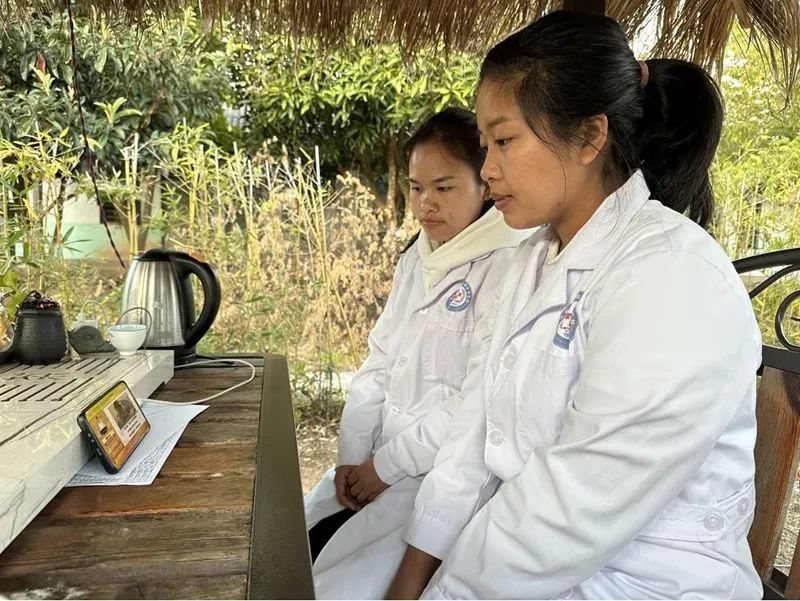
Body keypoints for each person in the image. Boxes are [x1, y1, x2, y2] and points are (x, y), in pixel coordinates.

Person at [387, 10, 763, 600]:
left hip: (645, 583)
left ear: (589, 136)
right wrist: (409, 582)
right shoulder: (527, 263)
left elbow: (574, 506)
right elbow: (471, 439)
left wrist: (443, 594)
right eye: (484, 146)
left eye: (504, 141)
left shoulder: (673, 277)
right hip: (515, 558)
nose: (488, 170)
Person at [303, 107, 532, 599]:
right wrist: (352, 457)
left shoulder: (507, 265)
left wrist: (384, 468)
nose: (426, 203)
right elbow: (378, 363)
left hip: (431, 476)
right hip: (373, 465)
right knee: (290, 554)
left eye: (444, 188)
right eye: (416, 188)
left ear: (485, 186)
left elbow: (473, 404)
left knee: (341, 588)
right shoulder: (418, 257)